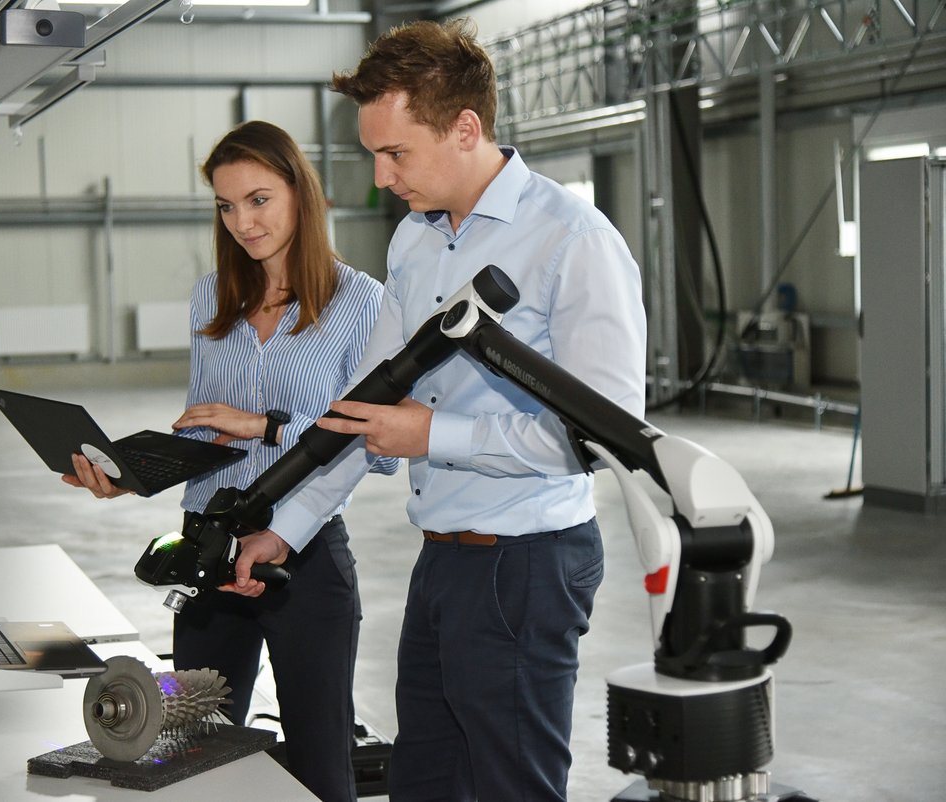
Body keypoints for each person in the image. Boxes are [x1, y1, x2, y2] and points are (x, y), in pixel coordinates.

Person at [227, 19, 647, 802]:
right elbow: (364, 407)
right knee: (425, 782)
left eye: (396, 154)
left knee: (511, 786)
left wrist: (434, 435)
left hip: (527, 562)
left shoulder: (571, 241)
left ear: (465, 129)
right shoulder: (416, 244)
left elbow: (604, 437)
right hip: (444, 558)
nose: (383, 178)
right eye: (374, 155)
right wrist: (284, 529)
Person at [65, 119, 398, 802]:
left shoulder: (361, 302)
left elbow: (375, 445)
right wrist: (134, 475)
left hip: (300, 558)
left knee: (320, 769)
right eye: (226, 205)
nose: (242, 221)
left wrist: (267, 426)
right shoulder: (211, 297)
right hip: (208, 552)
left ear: (300, 195)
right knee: (195, 759)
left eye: (258, 199)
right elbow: (208, 436)